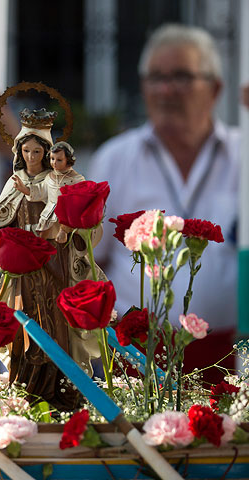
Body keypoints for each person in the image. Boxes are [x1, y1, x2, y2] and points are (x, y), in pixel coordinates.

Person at [89, 24, 239, 383]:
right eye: (155, 78)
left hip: (230, 356)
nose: (166, 90)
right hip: (135, 358)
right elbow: (90, 261)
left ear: (215, 88)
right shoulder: (115, 158)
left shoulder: (243, 154)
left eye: (182, 77)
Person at [0, 109, 102, 411]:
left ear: (47, 153)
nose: (31, 156)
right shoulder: (15, 181)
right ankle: (27, 389)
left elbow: (74, 219)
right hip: (22, 270)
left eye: (37, 151)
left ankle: (62, 391)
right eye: (26, 150)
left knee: (57, 327)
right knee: (25, 330)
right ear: (19, 151)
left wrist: (66, 230)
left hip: (54, 264)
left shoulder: (58, 181)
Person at [13, 139, 84, 243]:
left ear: (68, 160)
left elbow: (81, 199)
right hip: (49, 212)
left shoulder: (77, 179)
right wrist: (25, 189)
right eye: (52, 159)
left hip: (67, 216)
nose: (54, 163)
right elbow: (41, 190)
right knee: (42, 235)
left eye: (59, 160)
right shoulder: (50, 176)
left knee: (67, 241)